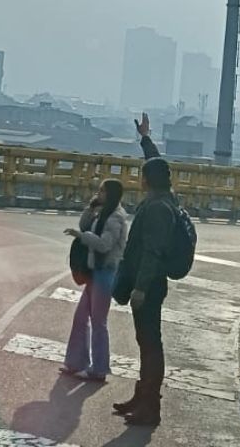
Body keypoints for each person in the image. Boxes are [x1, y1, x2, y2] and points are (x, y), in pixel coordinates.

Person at [111, 113, 176, 427]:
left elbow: (152, 252)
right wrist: (146, 139)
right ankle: (142, 397)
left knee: (151, 345)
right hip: (147, 283)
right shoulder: (165, 198)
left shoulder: (157, 209)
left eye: (142, 175)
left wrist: (139, 288)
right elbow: (157, 164)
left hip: (148, 285)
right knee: (145, 342)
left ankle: (151, 406)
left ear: (148, 180)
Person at [62, 177, 127, 381]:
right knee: (81, 318)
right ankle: (76, 362)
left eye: (102, 191)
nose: (99, 194)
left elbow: (104, 245)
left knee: (98, 321)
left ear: (111, 194)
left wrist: (81, 237)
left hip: (105, 272)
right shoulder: (103, 212)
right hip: (94, 272)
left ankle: (99, 369)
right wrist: (91, 207)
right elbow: (85, 225)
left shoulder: (116, 218)